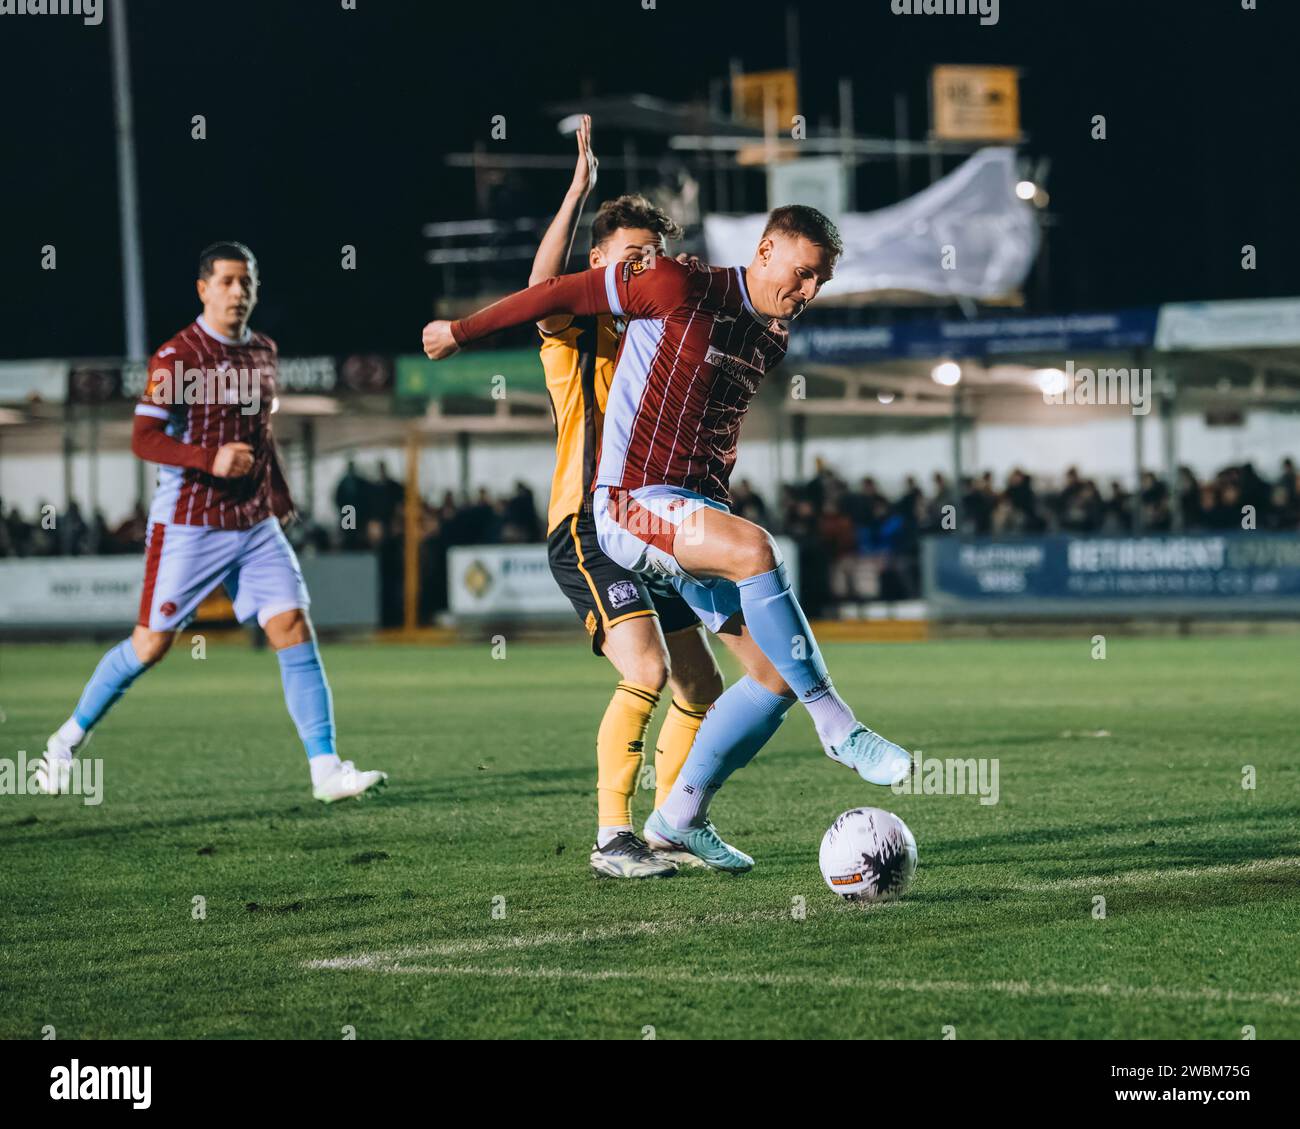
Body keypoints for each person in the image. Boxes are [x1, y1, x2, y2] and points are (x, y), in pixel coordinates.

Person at [423, 204, 910, 872]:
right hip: (629, 506)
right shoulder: (676, 283)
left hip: (691, 515)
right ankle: (838, 726)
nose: (809, 293)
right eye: (802, 274)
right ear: (765, 250)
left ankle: (679, 817)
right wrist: (459, 330)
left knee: (769, 675)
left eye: (820, 281)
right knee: (755, 551)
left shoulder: (769, 335)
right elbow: (556, 293)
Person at [36, 242, 386, 804]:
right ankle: (65, 741)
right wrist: (208, 459)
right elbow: (143, 437)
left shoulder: (264, 352)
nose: (238, 292)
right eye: (226, 281)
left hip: (252, 525)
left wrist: (277, 493)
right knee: (150, 646)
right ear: (203, 288)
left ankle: (326, 770)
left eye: (247, 282)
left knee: (292, 626)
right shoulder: (178, 357)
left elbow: (260, 436)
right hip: (190, 524)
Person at [529, 116, 723, 878]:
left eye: (656, 254)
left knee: (701, 681)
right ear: (600, 261)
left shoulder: (660, 328)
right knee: (643, 669)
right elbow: (541, 290)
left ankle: (672, 826)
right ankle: (613, 836)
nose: (649, 264)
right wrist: (577, 190)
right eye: (632, 254)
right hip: (585, 524)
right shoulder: (579, 328)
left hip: (647, 523)